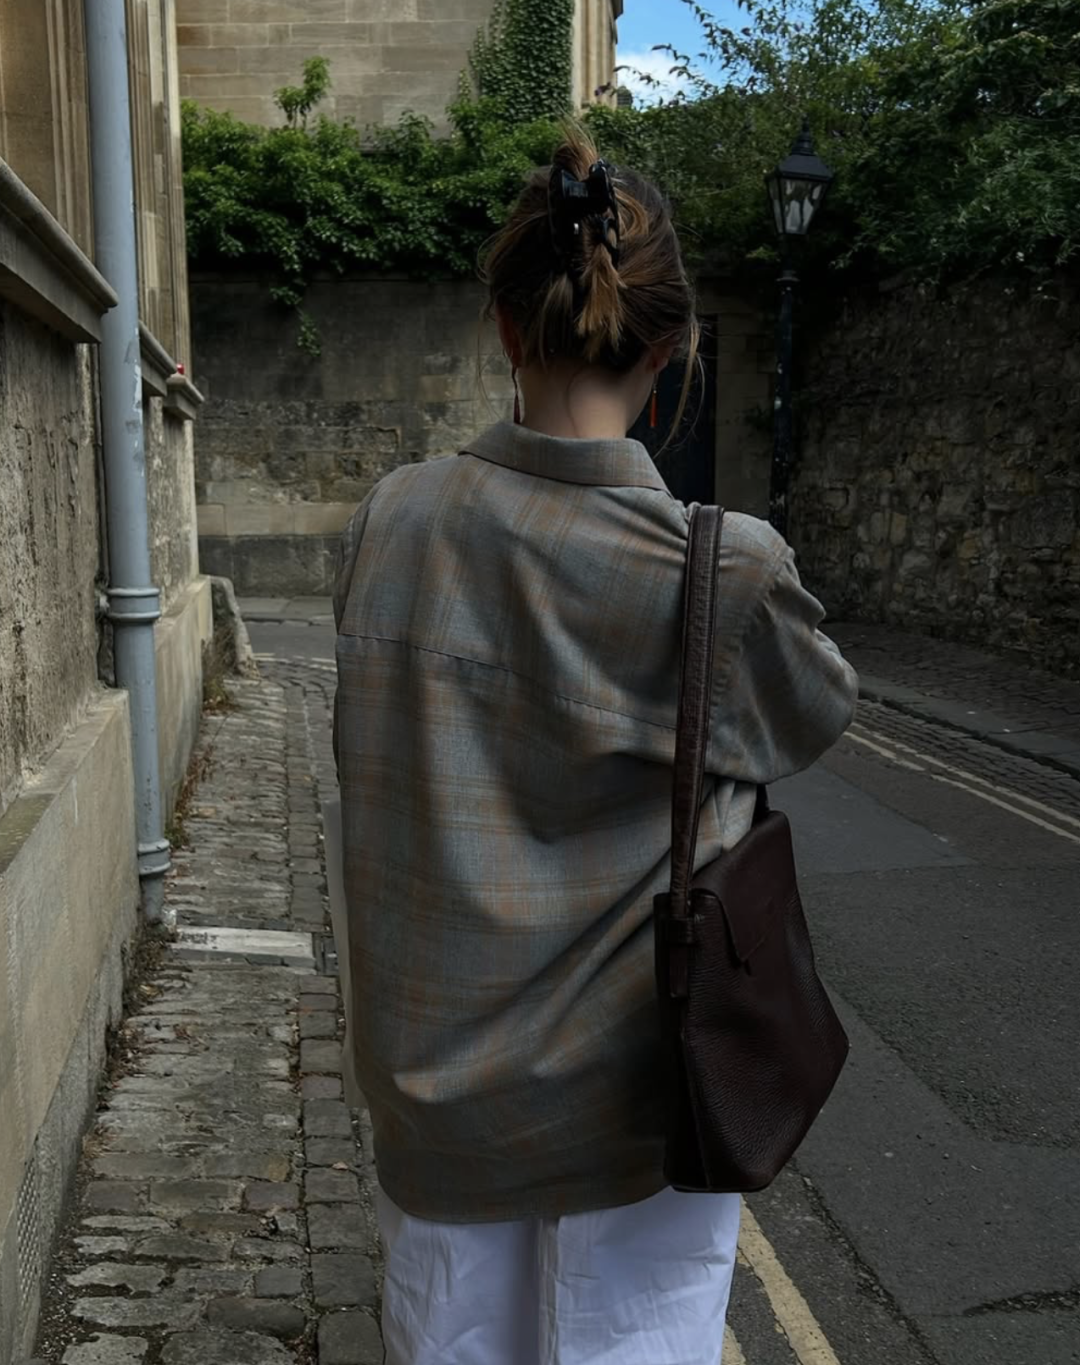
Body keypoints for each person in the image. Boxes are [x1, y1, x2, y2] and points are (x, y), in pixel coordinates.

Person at [332, 127, 858, 1365]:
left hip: (438, 1110)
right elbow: (815, 712)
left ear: (504, 328)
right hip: (640, 1108)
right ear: (670, 352)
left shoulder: (389, 523)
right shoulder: (723, 574)